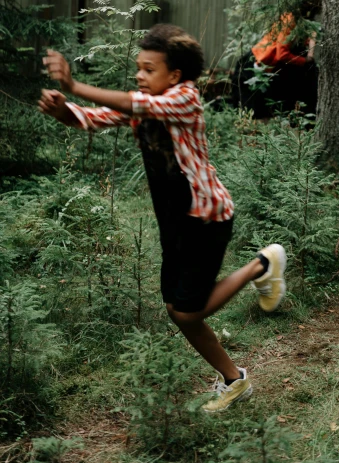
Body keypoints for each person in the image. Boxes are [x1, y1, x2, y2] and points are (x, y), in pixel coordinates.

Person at [38, 24, 287, 413]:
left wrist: (73, 85)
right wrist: (63, 111)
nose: (139, 75)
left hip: (206, 219)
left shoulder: (184, 98)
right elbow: (90, 118)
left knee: (189, 310)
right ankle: (235, 380)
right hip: (176, 222)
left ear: (174, 75)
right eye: (138, 67)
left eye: (149, 68)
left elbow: (139, 105)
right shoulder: (144, 101)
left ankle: (262, 264)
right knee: (178, 311)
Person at [231, 10, 318, 118]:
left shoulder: (299, 22)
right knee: (253, 108)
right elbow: (281, 54)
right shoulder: (290, 20)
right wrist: (305, 60)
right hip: (258, 62)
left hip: (268, 66)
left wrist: (311, 41)